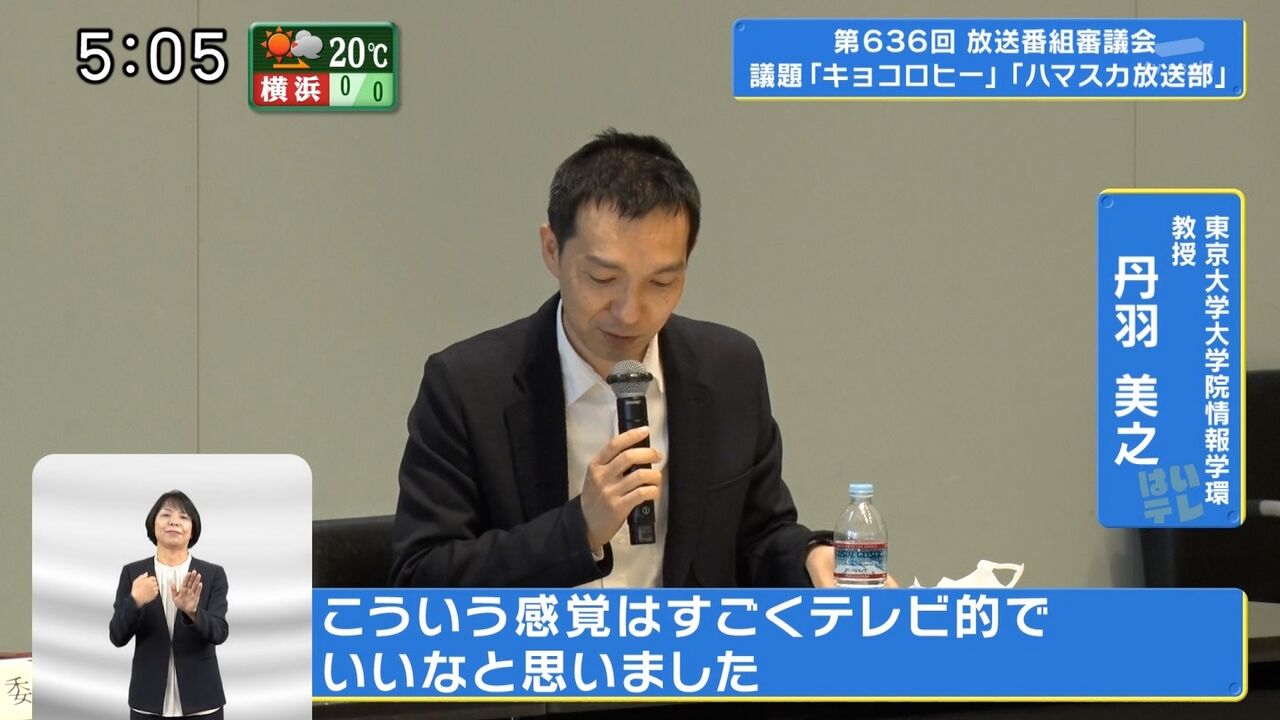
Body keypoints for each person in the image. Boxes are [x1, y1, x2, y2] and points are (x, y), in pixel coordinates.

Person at [391, 128, 890, 589]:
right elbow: (421, 578)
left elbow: (759, 536)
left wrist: (810, 556)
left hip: (685, 654)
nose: (630, 312)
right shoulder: (468, 387)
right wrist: (579, 528)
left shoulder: (728, 369)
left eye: (661, 282)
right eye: (603, 279)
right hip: (538, 654)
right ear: (551, 250)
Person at [109, 490, 228, 718]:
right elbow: (117, 636)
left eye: (183, 517)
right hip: (147, 702)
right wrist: (135, 601)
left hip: (203, 702)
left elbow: (220, 633)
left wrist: (193, 612)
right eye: (166, 515)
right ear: (153, 524)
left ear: (193, 529)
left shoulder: (212, 574)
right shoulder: (133, 573)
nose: (174, 522)